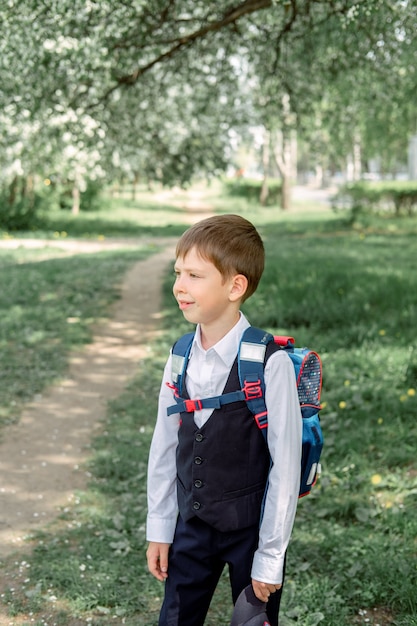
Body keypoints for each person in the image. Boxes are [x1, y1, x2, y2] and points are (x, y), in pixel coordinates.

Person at [146, 214, 302, 626]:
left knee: (252, 622)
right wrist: (161, 526)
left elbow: (285, 470)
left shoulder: (271, 364)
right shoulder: (179, 355)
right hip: (191, 527)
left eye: (195, 275)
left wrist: (270, 558)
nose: (180, 285)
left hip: (249, 533)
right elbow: (164, 446)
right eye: (178, 272)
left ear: (236, 286)